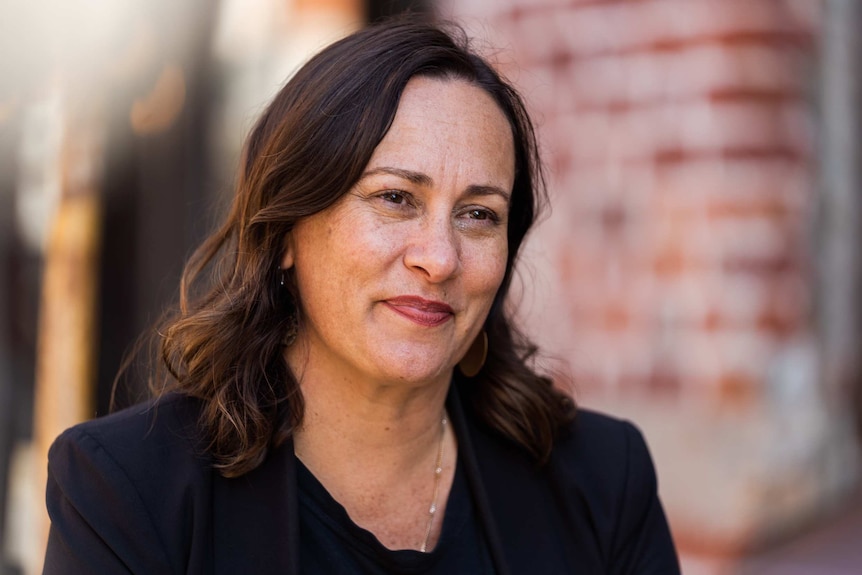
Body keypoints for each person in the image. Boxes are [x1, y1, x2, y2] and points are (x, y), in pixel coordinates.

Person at [43, 17, 681, 575]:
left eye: (480, 215)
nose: (438, 258)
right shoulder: (127, 491)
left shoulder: (601, 482)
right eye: (395, 199)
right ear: (286, 230)